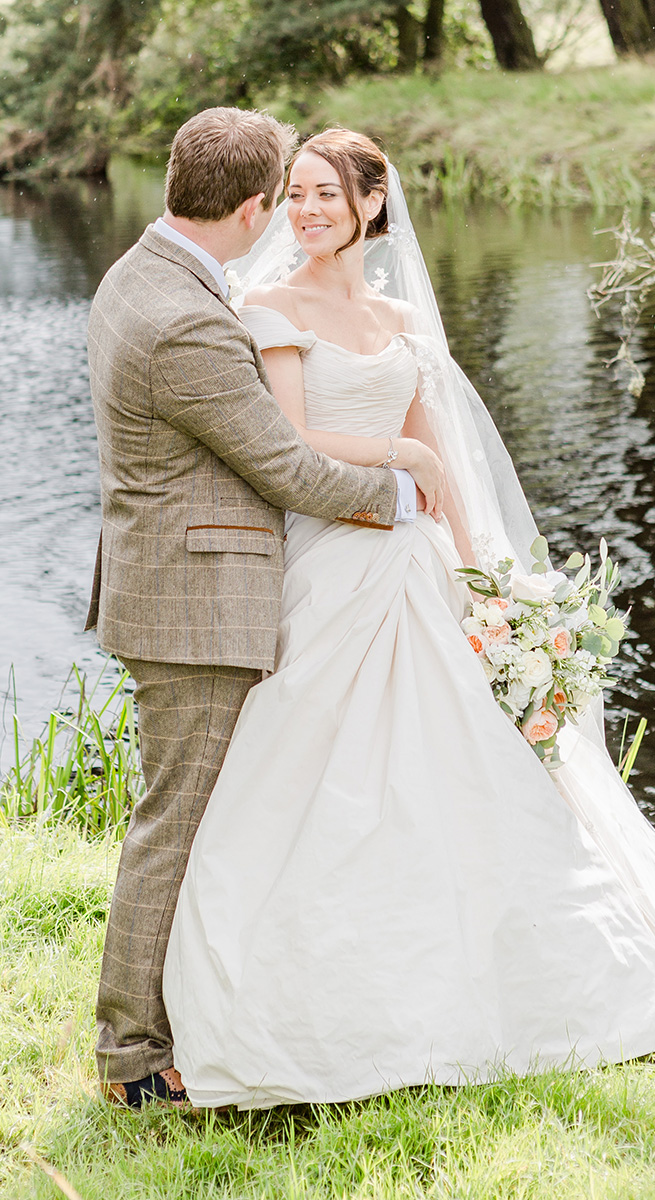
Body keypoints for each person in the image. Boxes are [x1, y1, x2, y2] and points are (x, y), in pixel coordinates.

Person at [162, 129, 655, 1110]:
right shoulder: (267, 308)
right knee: (320, 770)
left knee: (469, 767)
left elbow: (438, 452)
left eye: (326, 194)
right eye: (294, 193)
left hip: (417, 557)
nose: (306, 210)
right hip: (333, 562)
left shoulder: (398, 317)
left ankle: (513, 982)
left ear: (372, 205)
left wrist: (481, 576)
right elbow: (289, 443)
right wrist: (400, 464)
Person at [85, 109, 447, 1109]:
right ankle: (131, 1058)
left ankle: (189, 1022)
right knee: (177, 825)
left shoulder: (141, 275)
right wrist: (404, 491)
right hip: (195, 604)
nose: (289, 216)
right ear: (251, 206)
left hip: (175, 582)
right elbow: (288, 465)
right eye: (281, 198)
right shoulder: (191, 319)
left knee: (200, 819)